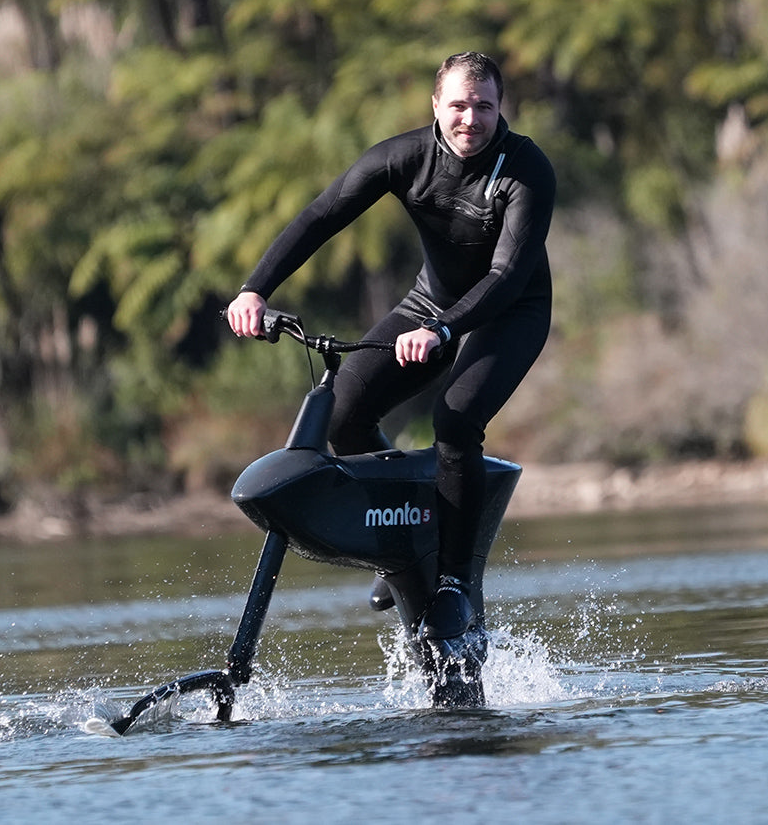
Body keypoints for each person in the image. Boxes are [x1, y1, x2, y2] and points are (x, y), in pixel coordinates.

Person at [226, 51, 555, 644]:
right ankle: (404, 544)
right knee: (346, 412)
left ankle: (452, 583)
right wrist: (255, 289)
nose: (470, 119)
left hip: (509, 313)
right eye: (458, 104)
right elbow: (321, 215)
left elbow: (505, 276)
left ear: (500, 107)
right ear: (436, 105)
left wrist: (444, 331)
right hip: (430, 303)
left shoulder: (526, 170)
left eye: (484, 106)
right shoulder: (403, 157)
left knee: (454, 419)